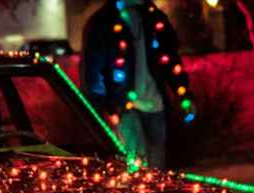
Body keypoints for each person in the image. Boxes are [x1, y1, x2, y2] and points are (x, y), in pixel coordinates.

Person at [81, 0, 195, 170]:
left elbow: (170, 60)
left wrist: (184, 95)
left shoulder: (153, 17)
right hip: (123, 106)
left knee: (157, 168)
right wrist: (104, 107)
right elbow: (92, 70)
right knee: (136, 166)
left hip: (155, 104)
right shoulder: (103, 21)